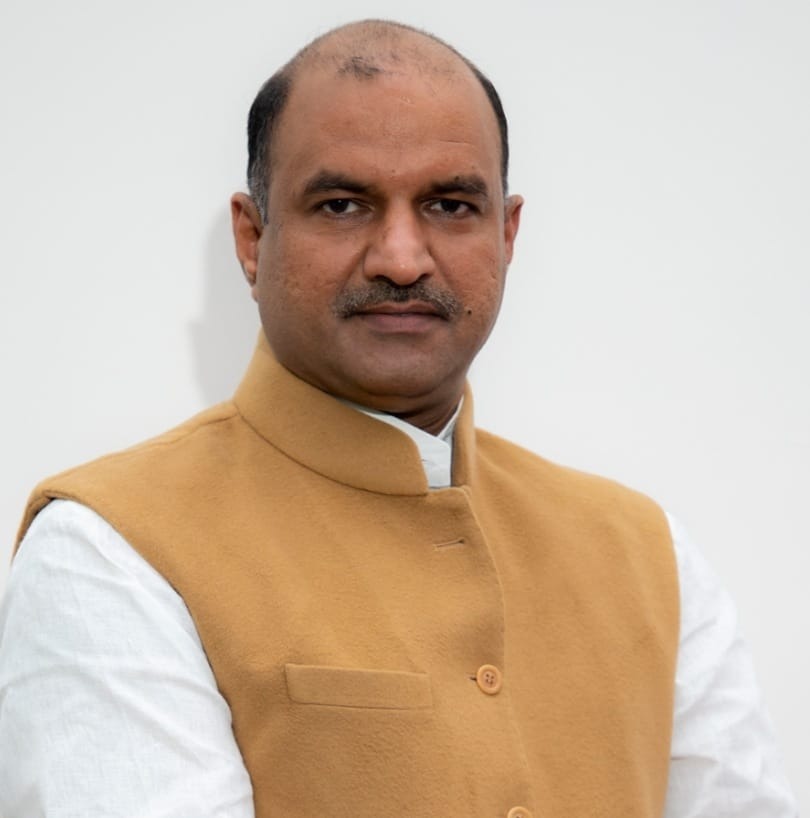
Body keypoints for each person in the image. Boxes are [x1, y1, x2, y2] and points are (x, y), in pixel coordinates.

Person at [0, 19, 797, 818]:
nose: (402, 258)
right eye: (343, 205)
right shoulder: (113, 550)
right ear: (252, 239)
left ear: (507, 235)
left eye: (450, 205)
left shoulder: (646, 555)